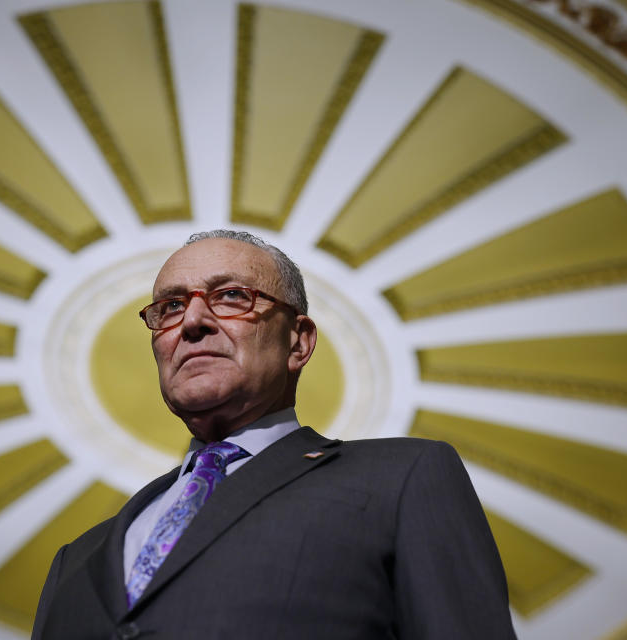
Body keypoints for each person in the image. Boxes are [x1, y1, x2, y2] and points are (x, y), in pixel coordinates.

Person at [31, 230, 516, 639]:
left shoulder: (401, 477)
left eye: (231, 296)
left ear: (298, 341)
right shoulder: (74, 559)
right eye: (171, 306)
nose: (194, 322)